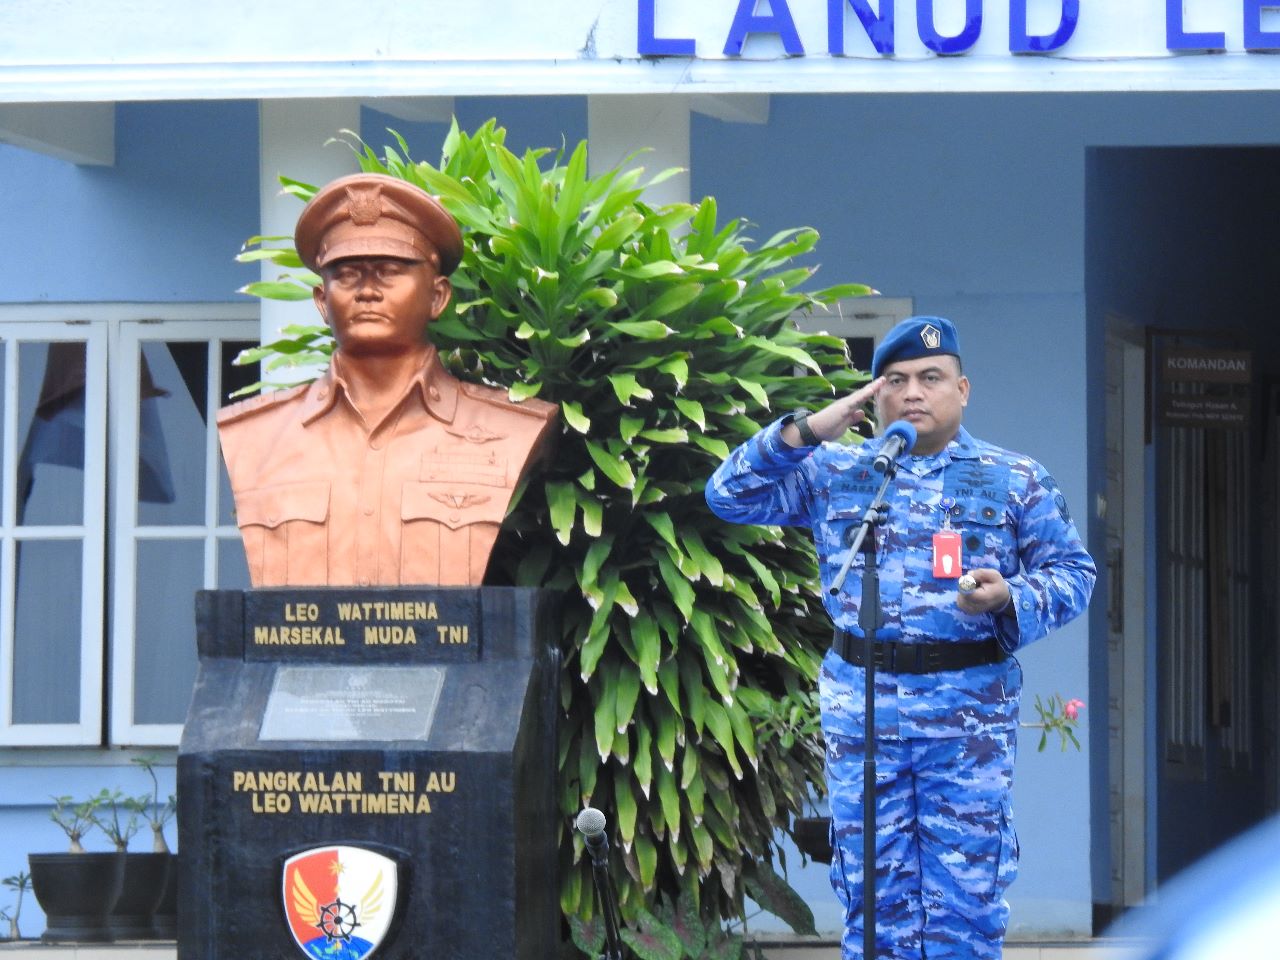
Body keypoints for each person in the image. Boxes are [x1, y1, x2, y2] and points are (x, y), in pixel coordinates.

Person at [704, 316, 1095, 959]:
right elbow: (728, 495)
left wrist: (1011, 597)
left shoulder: (1014, 477)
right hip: (865, 714)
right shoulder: (837, 472)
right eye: (896, 380)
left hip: (965, 718)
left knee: (964, 901)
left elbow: (1074, 574)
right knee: (871, 892)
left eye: (931, 378)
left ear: (963, 390)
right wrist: (810, 429)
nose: (914, 392)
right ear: (873, 395)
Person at [218, 172, 557, 587]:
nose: (367, 291)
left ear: (438, 297)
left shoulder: (511, 430)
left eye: (390, 270)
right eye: (346, 274)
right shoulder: (255, 436)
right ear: (322, 302)